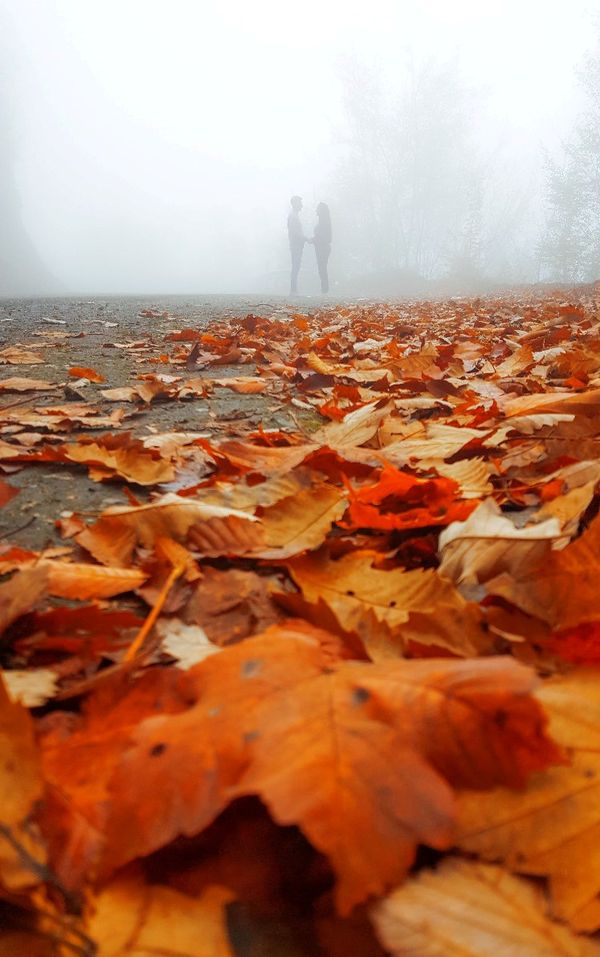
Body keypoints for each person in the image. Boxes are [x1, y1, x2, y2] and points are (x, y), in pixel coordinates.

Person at [308, 202, 332, 294]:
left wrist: (312, 240)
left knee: (322, 268)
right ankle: (324, 289)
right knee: (322, 268)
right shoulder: (324, 221)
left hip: (322, 248)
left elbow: (322, 237)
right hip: (321, 247)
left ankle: (324, 289)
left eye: (317, 209)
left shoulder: (324, 221)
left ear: (321, 210)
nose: (316, 211)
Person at [287, 195, 305, 294]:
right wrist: (305, 238)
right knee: (296, 266)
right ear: (295, 203)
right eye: (300, 203)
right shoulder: (293, 216)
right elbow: (295, 232)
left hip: (296, 245)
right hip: (296, 245)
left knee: (296, 266)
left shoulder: (294, 215)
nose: (302, 205)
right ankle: (293, 290)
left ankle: (294, 289)